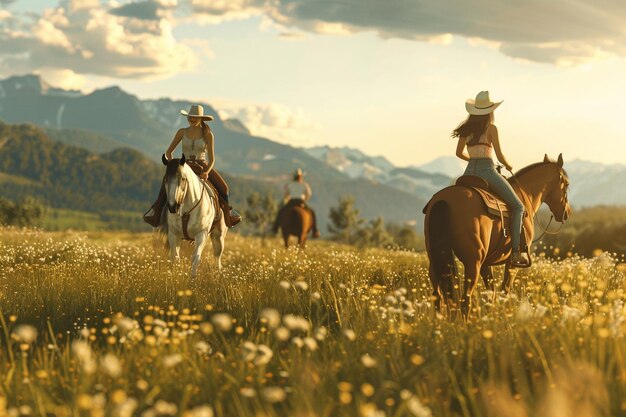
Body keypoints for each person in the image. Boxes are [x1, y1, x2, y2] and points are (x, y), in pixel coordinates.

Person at [452, 91, 528, 267]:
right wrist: (508, 166)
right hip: (487, 170)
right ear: (490, 112)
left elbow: (458, 153)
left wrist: (471, 160)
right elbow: (500, 157)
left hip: (469, 172)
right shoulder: (491, 129)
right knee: (518, 206)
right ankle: (515, 253)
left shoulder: (466, 130)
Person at [143, 104, 241, 228]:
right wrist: (174, 167)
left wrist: (207, 172)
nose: (191, 119)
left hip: (202, 165)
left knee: (224, 188)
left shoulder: (208, 134)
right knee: (167, 185)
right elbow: (168, 152)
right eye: (190, 117)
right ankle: (155, 212)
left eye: (194, 117)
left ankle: (228, 215)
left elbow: (212, 159)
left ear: (201, 118)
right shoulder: (182, 132)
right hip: (185, 165)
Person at [272, 168, 320, 238]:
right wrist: (305, 198)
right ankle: (315, 231)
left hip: (291, 201)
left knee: (281, 212)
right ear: (301, 177)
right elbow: (309, 194)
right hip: (301, 202)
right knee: (312, 212)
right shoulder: (304, 185)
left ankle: (275, 228)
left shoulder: (290, 185)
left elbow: (286, 194)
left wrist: (288, 198)